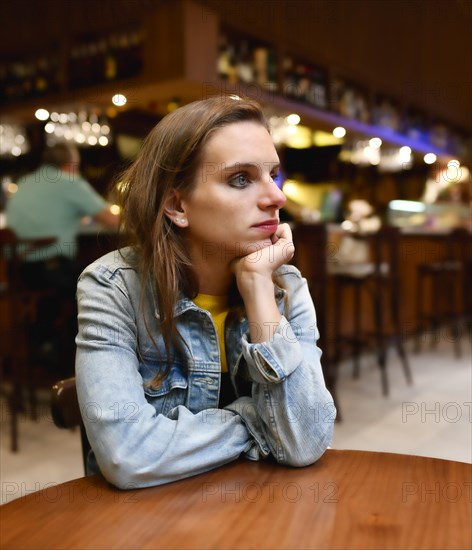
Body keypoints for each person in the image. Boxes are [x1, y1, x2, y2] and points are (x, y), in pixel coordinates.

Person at [75, 96, 335, 490]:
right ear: (177, 205)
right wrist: (255, 421)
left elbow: (304, 442)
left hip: (258, 515)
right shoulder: (112, 286)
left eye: (272, 175)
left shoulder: (286, 285)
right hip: (144, 524)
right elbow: (127, 456)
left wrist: (257, 287)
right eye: (241, 179)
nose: (276, 198)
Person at [6, 142, 120, 367]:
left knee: (69, 286)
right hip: (49, 268)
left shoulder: (25, 182)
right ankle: (88, 354)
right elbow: (112, 220)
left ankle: (46, 341)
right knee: (101, 281)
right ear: (71, 165)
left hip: (17, 272)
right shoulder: (69, 182)